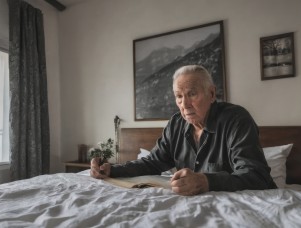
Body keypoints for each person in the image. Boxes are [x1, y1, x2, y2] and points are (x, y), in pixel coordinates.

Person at [90, 65, 277, 196]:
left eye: (192, 94)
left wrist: (206, 181)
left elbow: (256, 175)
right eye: (179, 96)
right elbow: (154, 162)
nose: (184, 104)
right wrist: (112, 169)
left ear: (211, 94)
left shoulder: (237, 119)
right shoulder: (176, 123)